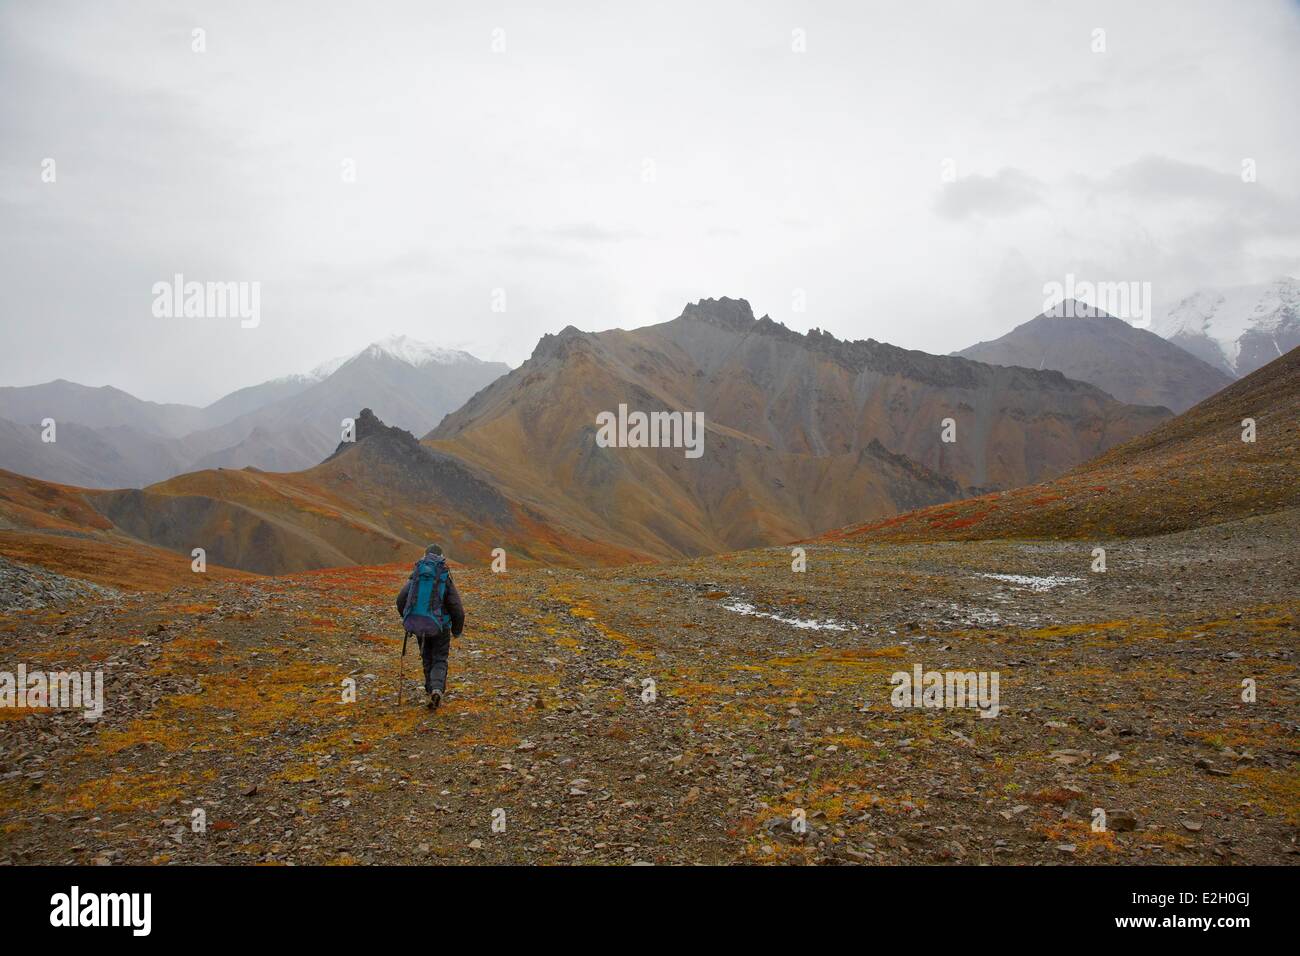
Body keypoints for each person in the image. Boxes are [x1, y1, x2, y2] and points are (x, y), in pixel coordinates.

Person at [395, 544, 464, 709]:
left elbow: (401, 599)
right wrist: (456, 630)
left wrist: (409, 619)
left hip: (420, 625)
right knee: (439, 659)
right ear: (441, 556)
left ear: (424, 555)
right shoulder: (442, 576)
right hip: (441, 627)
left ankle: (429, 691)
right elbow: (456, 607)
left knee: (427, 657)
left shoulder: (417, 575)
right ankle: (437, 689)